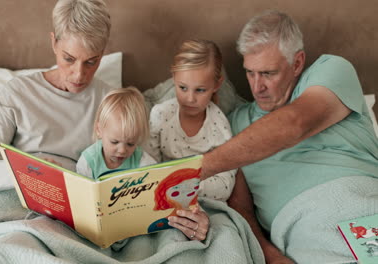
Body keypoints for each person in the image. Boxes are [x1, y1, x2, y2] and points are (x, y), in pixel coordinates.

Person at [201, 10, 378, 263]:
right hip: (300, 229)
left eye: (268, 73)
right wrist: (270, 255)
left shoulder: (330, 71)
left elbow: (295, 123)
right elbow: (240, 207)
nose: (257, 86)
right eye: (250, 72)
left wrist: (202, 167)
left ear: (297, 63)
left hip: (357, 200)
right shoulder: (233, 124)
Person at [0, 0, 115, 193]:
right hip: (18, 195)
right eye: (69, 59)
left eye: (91, 62)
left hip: (76, 204)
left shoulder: (110, 101)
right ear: (54, 43)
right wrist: (30, 170)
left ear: (102, 54)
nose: (79, 74)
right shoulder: (18, 93)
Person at [145, 39, 236, 202]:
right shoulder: (161, 115)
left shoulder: (219, 126)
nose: (190, 98)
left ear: (216, 85)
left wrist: (184, 187)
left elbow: (225, 185)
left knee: (225, 228)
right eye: (183, 88)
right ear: (174, 78)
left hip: (208, 204)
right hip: (162, 201)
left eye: (200, 90)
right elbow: (147, 167)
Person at [75, 87, 156, 179]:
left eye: (130, 144)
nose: (122, 150)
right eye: (114, 142)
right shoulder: (88, 161)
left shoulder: (142, 160)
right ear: (99, 130)